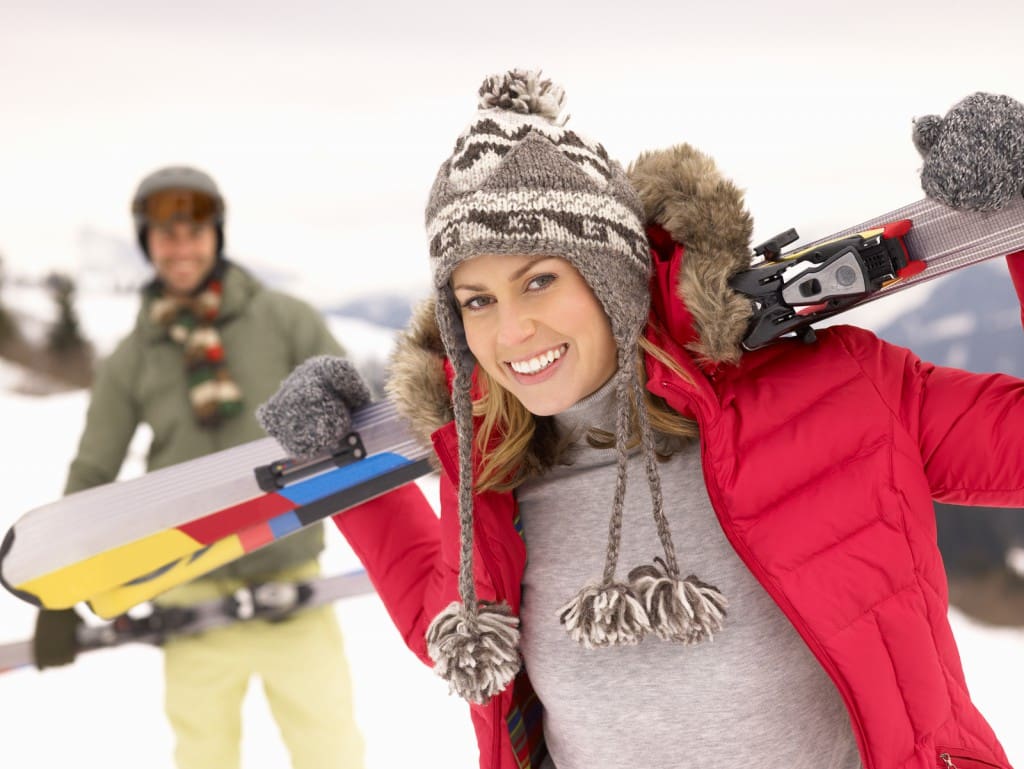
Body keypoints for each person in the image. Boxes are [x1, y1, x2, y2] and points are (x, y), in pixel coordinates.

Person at [258, 71, 1024, 769]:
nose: (510, 331)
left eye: (539, 281)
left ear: (611, 278)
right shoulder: (496, 476)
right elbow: (450, 619)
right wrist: (344, 462)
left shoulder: (833, 393)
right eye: (478, 300)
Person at [33, 165, 366, 769]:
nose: (180, 245)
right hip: (191, 592)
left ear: (216, 235)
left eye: (192, 230)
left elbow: (358, 423)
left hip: (294, 584)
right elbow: (92, 471)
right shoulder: (132, 357)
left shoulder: (285, 321)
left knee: (331, 750)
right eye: (164, 234)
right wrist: (59, 593)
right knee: (203, 755)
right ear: (147, 244)